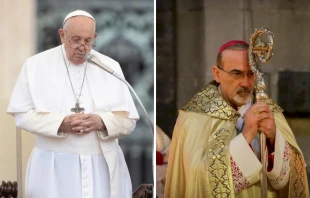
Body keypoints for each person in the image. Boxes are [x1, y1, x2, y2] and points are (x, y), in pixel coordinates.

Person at [7, 10, 139, 198]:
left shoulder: (110, 67)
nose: (82, 47)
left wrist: (100, 122)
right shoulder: (35, 65)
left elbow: (129, 121)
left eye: (88, 41)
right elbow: (21, 115)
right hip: (52, 168)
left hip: (102, 166)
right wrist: (61, 123)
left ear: (95, 37)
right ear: (62, 35)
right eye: (75, 40)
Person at [164, 40, 309, 197]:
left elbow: (292, 177)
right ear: (217, 74)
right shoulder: (193, 118)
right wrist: (247, 135)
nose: (246, 83)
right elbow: (197, 182)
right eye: (237, 73)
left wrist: (273, 139)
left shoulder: (271, 114)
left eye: (251, 73)